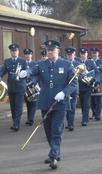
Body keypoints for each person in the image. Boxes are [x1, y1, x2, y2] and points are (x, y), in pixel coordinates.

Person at [19, 40, 77, 169]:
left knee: (57, 130)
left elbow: (73, 84)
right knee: (48, 131)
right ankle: (55, 152)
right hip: (45, 102)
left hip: (60, 103)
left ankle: (53, 156)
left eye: (52, 50)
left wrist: (64, 93)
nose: (49, 52)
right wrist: (25, 73)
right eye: (48, 50)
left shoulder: (67, 65)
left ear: (58, 51)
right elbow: (32, 70)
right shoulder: (41, 64)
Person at [0, 44, 27, 131]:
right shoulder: (7, 61)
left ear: (18, 52)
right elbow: (2, 72)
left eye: (15, 51)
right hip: (11, 87)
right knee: (12, 106)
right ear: (10, 52)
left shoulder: (23, 61)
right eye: (12, 51)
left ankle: (16, 124)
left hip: (20, 87)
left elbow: (28, 72)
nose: (14, 52)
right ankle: (15, 121)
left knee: (18, 106)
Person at [78, 47, 99, 126]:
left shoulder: (91, 62)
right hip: (80, 86)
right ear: (80, 54)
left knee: (86, 102)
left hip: (88, 86)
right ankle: (85, 116)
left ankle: (84, 119)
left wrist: (93, 80)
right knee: (82, 103)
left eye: (84, 54)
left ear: (87, 54)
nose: (83, 55)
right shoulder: (77, 62)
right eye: (81, 54)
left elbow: (96, 72)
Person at [64, 47, 81, 131]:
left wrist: (76, 75)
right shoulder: (63, 63)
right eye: (68, 55)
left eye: (71, 54)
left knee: (72, 107)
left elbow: (82, 75)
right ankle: (68, 122)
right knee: (66, 106)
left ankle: (71, 124)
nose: (69, 56)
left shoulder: (78, 63)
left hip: (74, 88)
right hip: (66, 88)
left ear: (74, 54)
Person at [90, 47, 102, 120]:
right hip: (90, 82)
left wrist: (99, 80)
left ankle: (98, 114)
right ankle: (94, 113)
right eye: (93, 53)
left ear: (98, 54)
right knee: (92, 99)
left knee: (99, 99)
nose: (94, 54)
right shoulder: (89, 61)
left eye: (95, 53)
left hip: (99, 83)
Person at [23, 48, 37, 125]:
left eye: (28, 54)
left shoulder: (34, 64)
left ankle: (31, 119)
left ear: (31, 55)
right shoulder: (23, 63)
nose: (27, 56)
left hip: (32, 85)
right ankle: (29, 118)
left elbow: (36, 74)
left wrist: (33, 82)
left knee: (34, 101)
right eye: (26, 54)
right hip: (25, 85)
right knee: (28, 102)